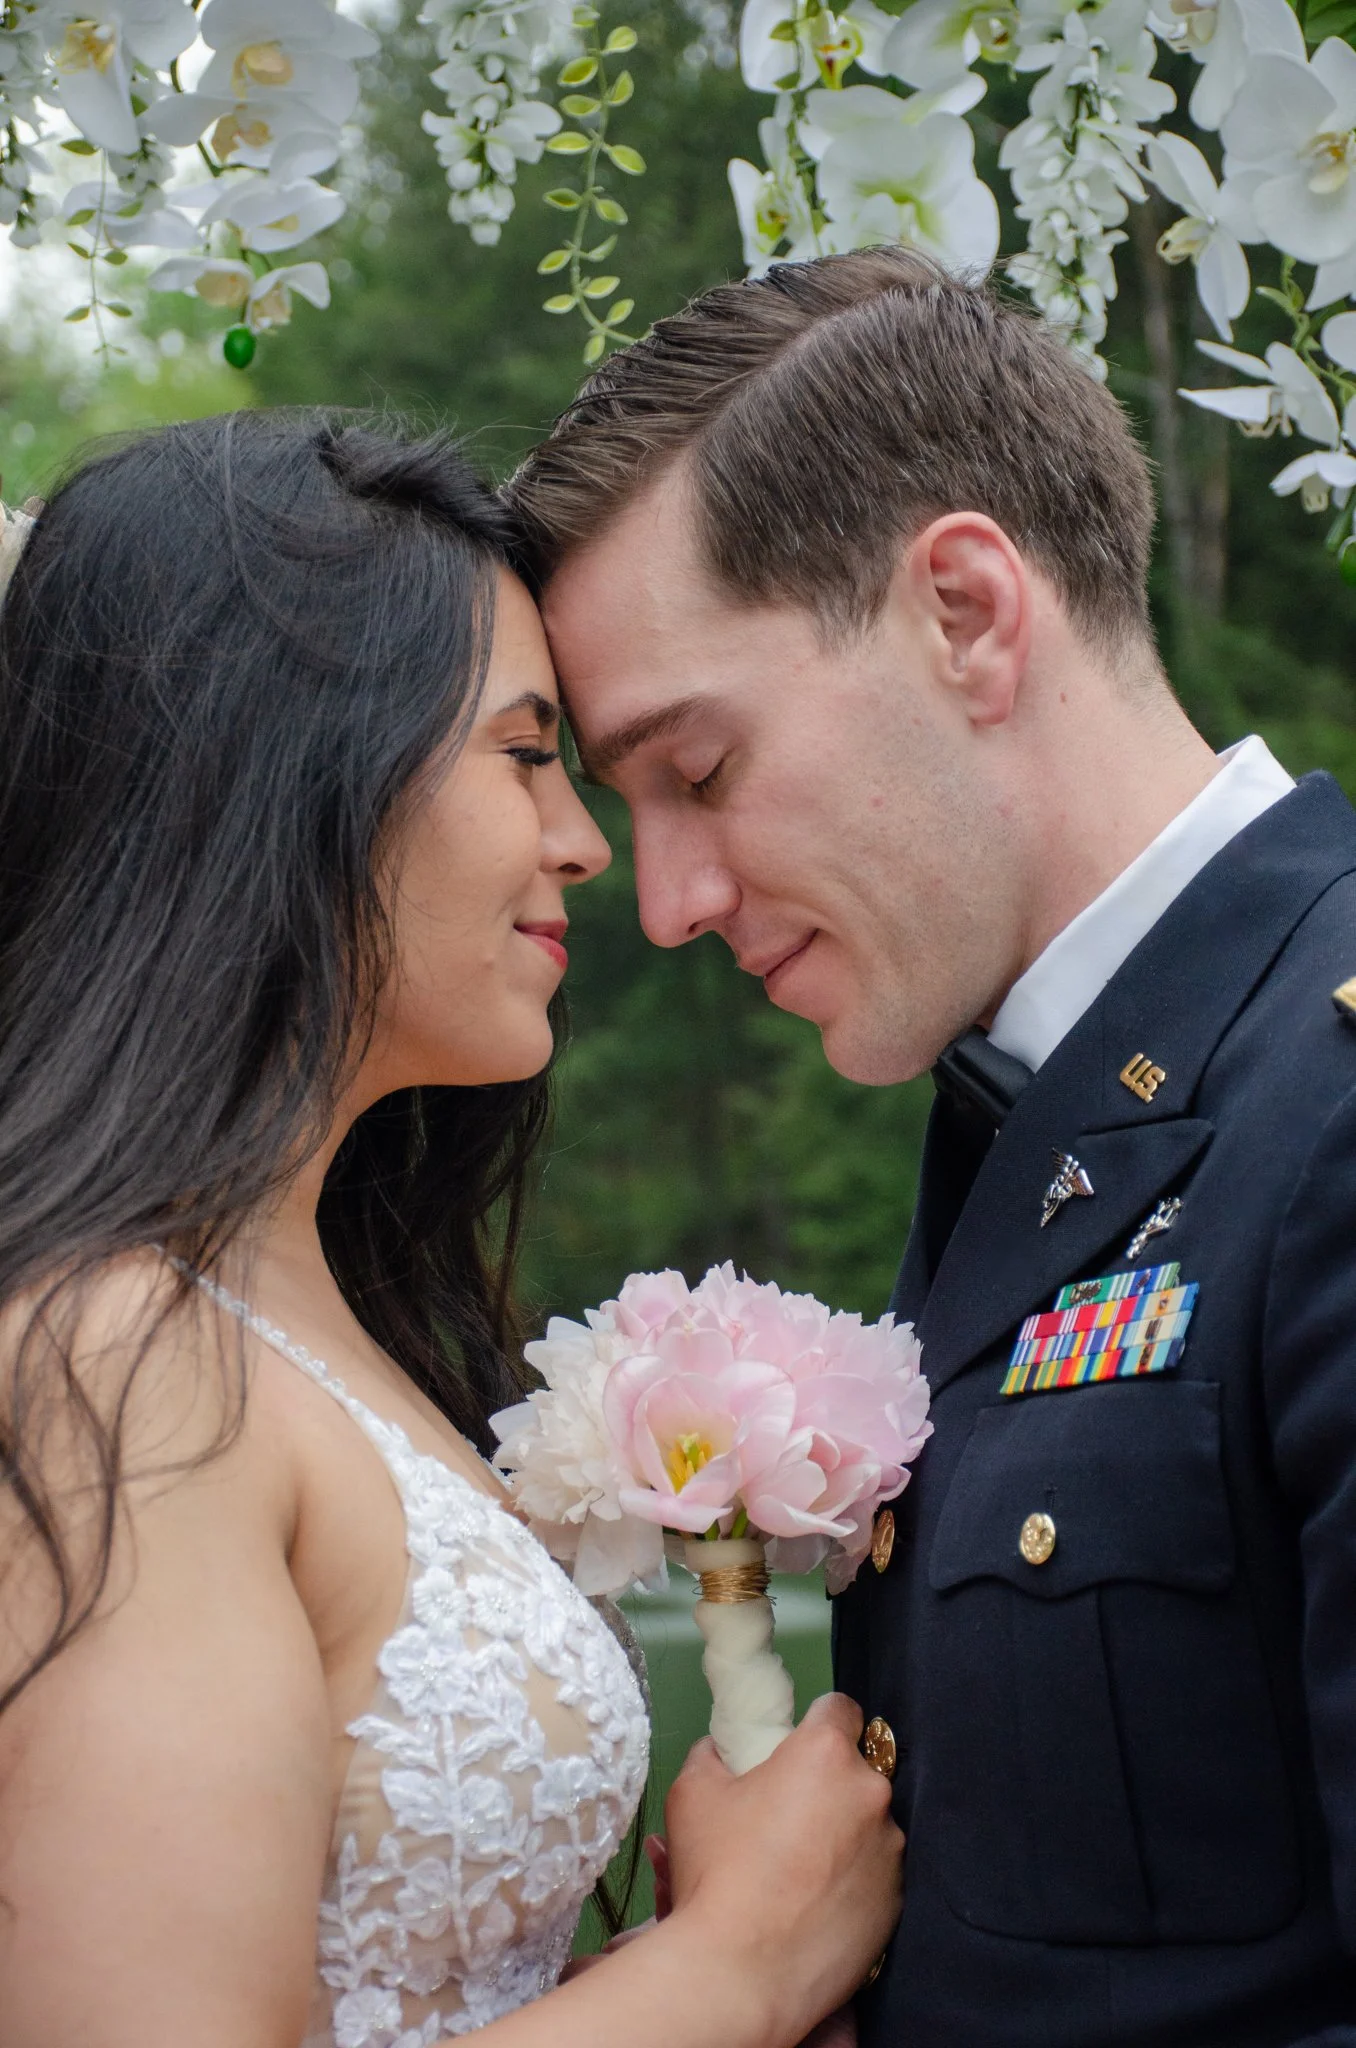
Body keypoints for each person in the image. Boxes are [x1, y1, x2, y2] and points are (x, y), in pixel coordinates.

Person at [508, 246, 1356, 2046]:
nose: (663, 904)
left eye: (700, 772)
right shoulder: (1049, 1120)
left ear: (966, 611)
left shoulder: (1327, 1105)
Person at [0, 412, 903, 2048]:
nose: (582, 840)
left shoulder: (316, 1319)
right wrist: (742, 1965)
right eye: (523, 752)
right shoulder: (112, 1366)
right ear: (286, 766)